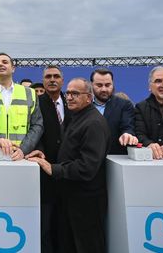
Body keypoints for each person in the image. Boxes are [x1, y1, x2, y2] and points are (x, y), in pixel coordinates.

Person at [27, 78, 109, 253]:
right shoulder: (78, 117)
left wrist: (53, 168)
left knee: (87, 245)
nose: (69, 97)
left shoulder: (93, 123)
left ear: (89, 97)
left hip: (85, 202)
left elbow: (87, 167)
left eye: (75, 94)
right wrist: (46, 157)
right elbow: (68, 152)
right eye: (68, 93)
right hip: (70, 197)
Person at [0, 53, 43, 160]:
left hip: (21, 157)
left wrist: (24, 149)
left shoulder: (30, 93)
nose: (0, 64)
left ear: (13, 68)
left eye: (5, 62)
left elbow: (37, 125)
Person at [32, 65, 69, 253]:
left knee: (65, 226)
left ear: (62, 80)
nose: (52, 79)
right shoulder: (36, 103)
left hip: (69, 174)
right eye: (48, 76)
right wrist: (39, 151)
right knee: (45, 225)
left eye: (56, 76)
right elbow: (33, 131)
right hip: (44, 174)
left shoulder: (71, 102)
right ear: (43, 80)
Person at [90, 68, 137, 154]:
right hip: (87, 160)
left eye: (108, 85)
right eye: (99, 85)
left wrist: (127, 134)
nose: (104, 89)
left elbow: (128, 126)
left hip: (114, 159)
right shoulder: (84, 105)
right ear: (91, 85)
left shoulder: (124, 105)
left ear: (113, 84)